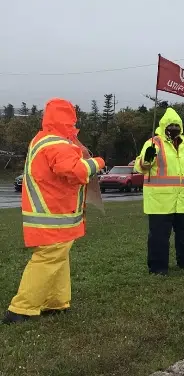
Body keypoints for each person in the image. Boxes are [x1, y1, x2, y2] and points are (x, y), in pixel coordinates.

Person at [4, 98, 105, 325]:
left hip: (52, 214)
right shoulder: (58, 144)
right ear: (69, 120)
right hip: (54, 215)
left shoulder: (42, 140)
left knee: (59, 257)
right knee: (48, 259)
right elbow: (75, 171)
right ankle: (20, 309)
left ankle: (56, 302)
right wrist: (97, 162)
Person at [134, 107, 184, 275]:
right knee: (159, 237)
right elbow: (141, 167)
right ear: (164, 126)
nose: (174, 128)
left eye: (176, 125)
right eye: (170, 125)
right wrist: (148, 157)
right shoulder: (154, 143)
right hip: (160, 200)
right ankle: (158, 268)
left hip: (181, 200)